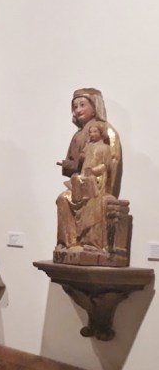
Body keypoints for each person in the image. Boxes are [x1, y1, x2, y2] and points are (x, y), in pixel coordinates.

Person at [55, 89, 122, 250]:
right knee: (63, 199)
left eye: (82, 105)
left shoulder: (108, 132)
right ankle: (69, 243)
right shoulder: (78, 136)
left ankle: (91, 243)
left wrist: (105, 188)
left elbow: (112, 164)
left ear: (95, 106)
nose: (78, 110)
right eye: (75, 106)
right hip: (80, 183)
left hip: (98, 186)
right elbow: (75, 164)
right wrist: (69, 166)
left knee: (92, 202)